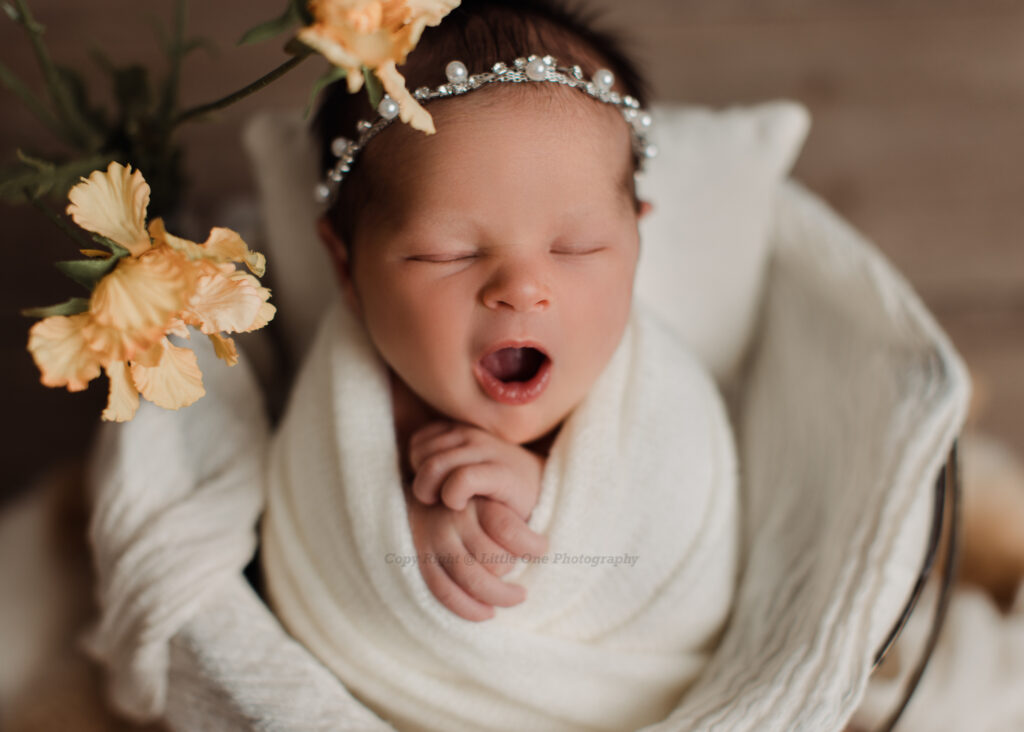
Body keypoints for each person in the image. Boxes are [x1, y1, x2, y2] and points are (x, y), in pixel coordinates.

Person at [257, 0, 739, 729]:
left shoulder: (659, 397)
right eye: (447, 254)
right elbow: (317, 547)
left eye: (576, 247)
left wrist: (546, 505)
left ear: (636, 243)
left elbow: (675, 531)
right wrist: (397, 521)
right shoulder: (346, 404)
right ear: (346, 266)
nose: (521, 288)